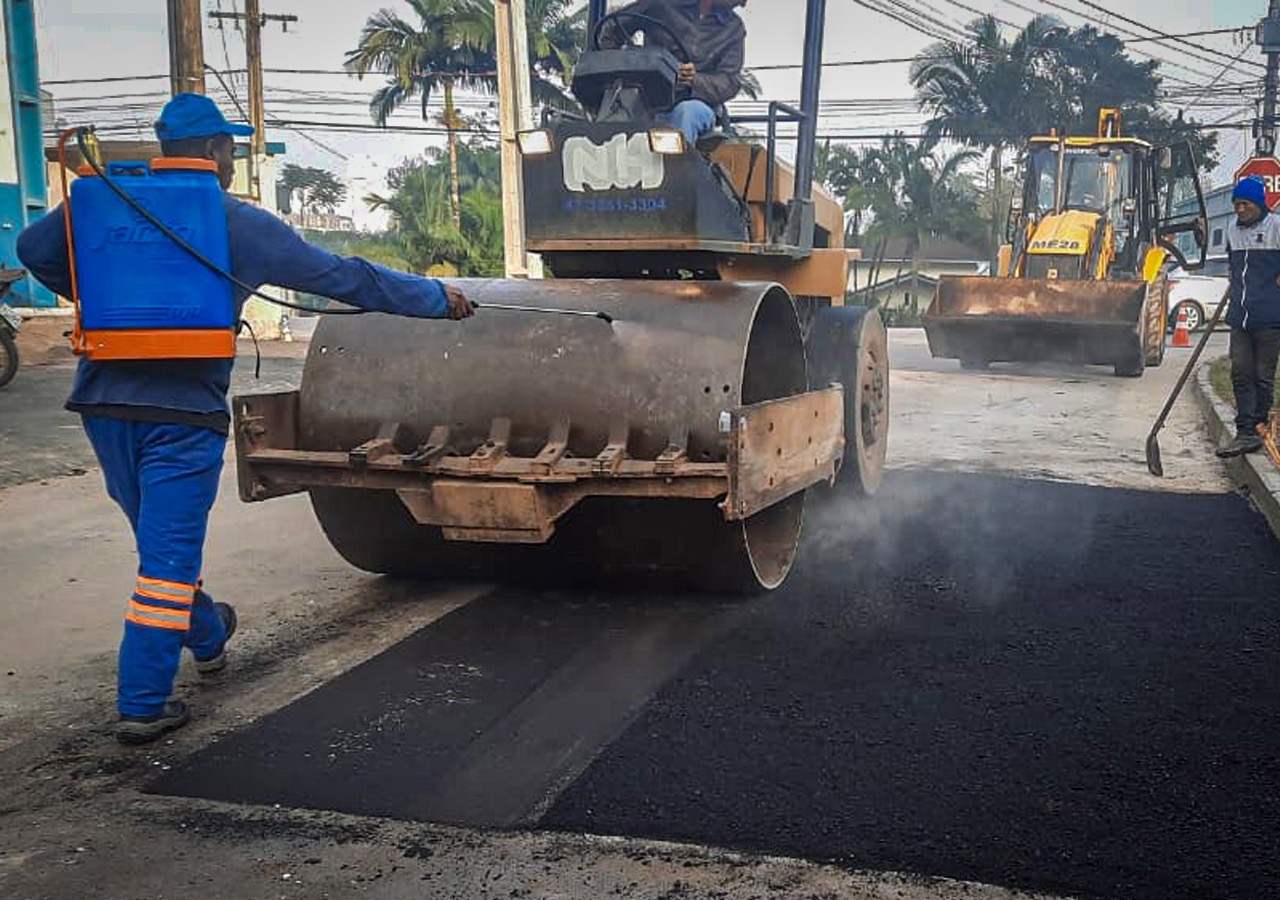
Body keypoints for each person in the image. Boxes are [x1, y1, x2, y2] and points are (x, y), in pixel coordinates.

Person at [16, 93, 475, 745]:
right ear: (213, 152)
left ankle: (206, 632)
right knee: (168, 561)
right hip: (182, 415)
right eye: (229, 149)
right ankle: (143, 702)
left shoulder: (106, 200)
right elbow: (343, 278)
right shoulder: (236, 222)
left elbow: (33, 249)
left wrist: (111, 294)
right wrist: (435, 298)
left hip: (104, 405)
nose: (231, 161)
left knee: (159, 547)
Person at [600, 0, 748, 146]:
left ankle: (676, 167)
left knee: (687, 113)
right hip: (647, 100)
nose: (743, 4)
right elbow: (613, 26)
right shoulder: (661, 4)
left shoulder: (734, 28)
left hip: (697, 105)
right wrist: (620, 69)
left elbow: (730, 81)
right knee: (617, 114)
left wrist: (693, 80)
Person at [1217, 175, 1280, 459]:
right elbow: (1234, 266)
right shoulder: (1233, 229)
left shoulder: (1276, 227)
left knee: (1262, 376)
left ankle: (1258, 427)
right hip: (1239, 316)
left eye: (1245, 204)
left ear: (1258, 203)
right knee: (1240, 374)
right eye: (1236, 204)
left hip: (1269, 317)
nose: (1240, 210)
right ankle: (1244, 431)